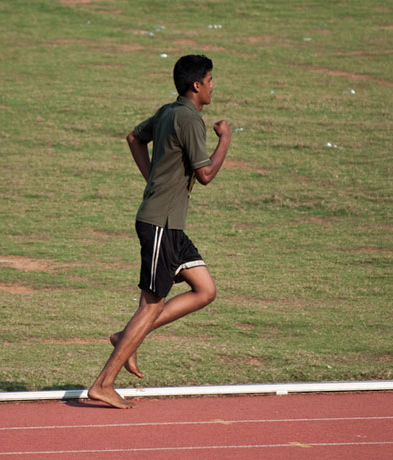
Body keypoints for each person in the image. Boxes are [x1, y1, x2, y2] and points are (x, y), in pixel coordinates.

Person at [88, 54, 232, 409]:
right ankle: (103, 383)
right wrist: (226, 139)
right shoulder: (190, 120)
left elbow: (134, 137)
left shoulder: (169, 111)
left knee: (205, 289)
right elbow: (206, 175)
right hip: (160, 225)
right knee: (152, 304)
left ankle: (127, 338)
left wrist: (153, 179)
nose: (214, 85)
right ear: (196, 85)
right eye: (211, 80)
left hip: (171, 224)